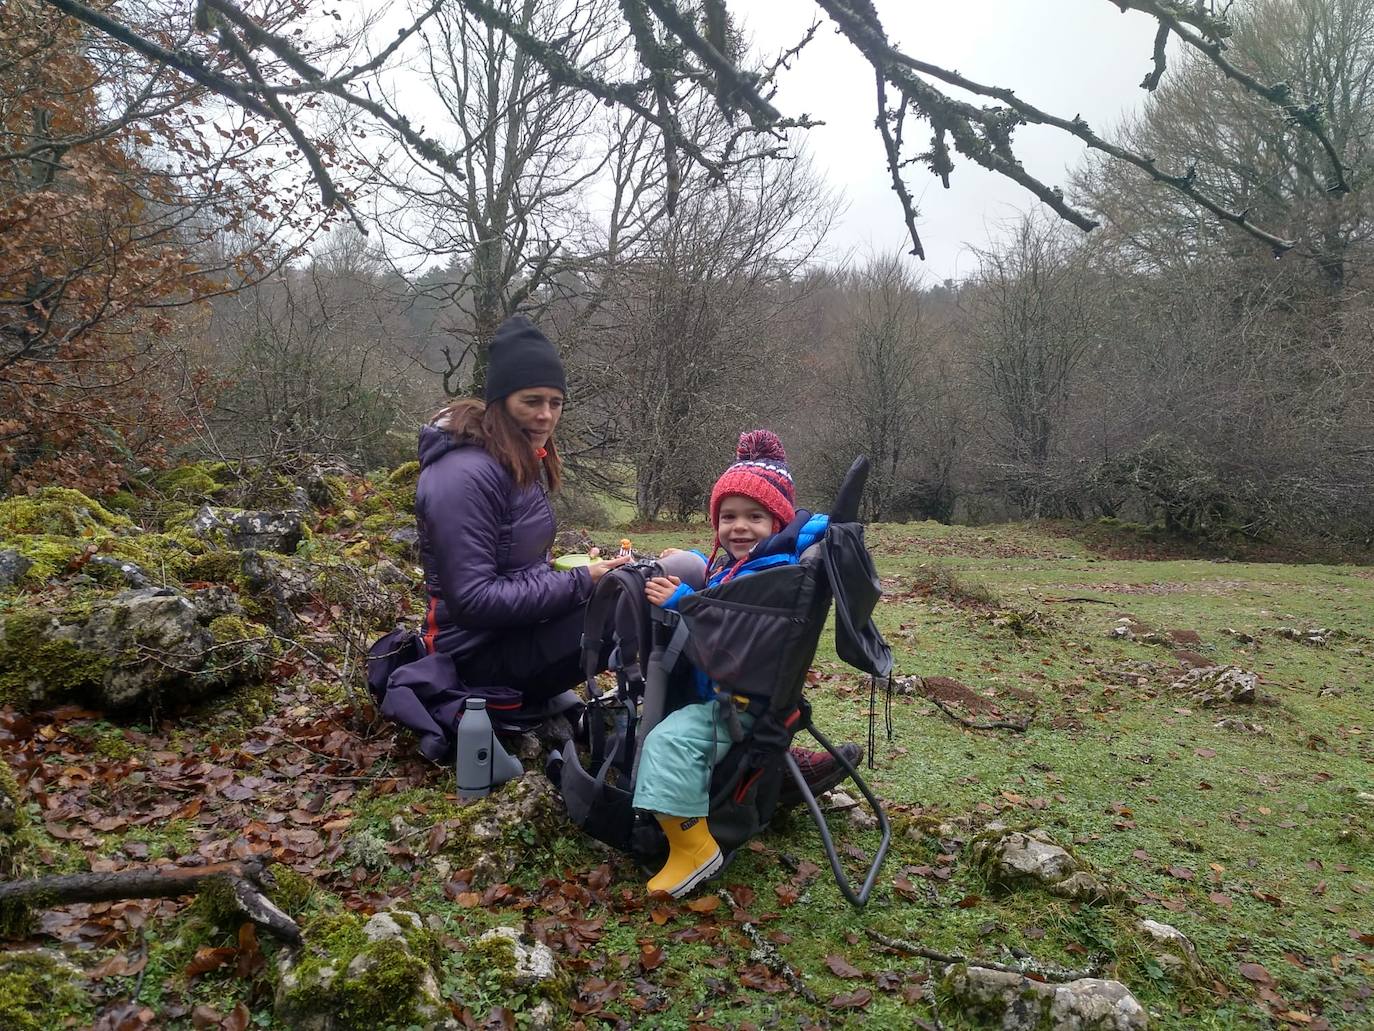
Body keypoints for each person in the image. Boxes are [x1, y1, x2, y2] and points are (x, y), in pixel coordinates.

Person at [631, 430, 864, 898]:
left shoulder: (770, 575)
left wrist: (686, 601)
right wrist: (693, 562)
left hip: (736, 703)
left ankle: (693, 847)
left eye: (755, 517)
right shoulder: (755, 564)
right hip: (734, 692)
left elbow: (736, 633)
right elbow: (727, 584)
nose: (739, 527)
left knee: (666, 744)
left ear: (778, 523)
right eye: (729, 516)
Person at [414, 315, 629, 712]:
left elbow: (516, 570)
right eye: (532, 401)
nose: (546, 415)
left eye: (555, 402)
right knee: (633, 604)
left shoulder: (513, 461)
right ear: (501, 403)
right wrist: (581, 582)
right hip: (471, 661)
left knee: (642, 584)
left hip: (512, 635)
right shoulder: (463, 476)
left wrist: (575, 571)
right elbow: (475, 601)